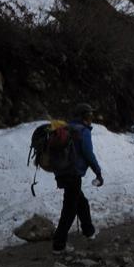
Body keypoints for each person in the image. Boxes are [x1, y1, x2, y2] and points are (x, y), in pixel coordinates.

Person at [52, 103, 104, 254]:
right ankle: (59, 245)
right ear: (84, 116)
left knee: (81, 202)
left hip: (62, 172)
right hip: (73, 173)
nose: (91, 118)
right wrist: (98, 172)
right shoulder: (83, 131)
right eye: (90, 115)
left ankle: (89, 232)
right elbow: (88, 153)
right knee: (70, 209)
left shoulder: (65, 129)